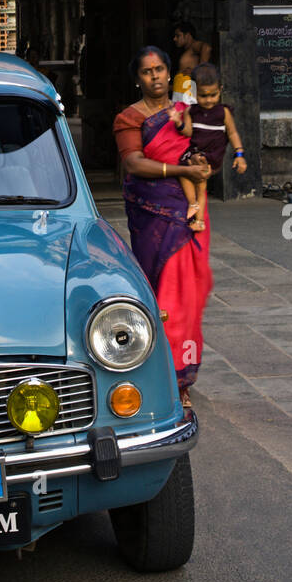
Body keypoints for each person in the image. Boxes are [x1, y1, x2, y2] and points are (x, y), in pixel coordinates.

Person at [113, 46, 213, 408]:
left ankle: (183, 377)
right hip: (153, 216)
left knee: (188, 298)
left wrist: (199, 164)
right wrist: (182, 171)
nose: (154, 77)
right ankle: (162, 374)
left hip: (188, 212)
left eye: (159, 70)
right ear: (137, 78)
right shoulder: (129, 118)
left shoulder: (185, 112)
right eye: (146, 71)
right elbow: (135, 164)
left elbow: (199, 149)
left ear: (170, 73)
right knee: (162, 295)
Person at [175, 64, 246, 232]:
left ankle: (198, 218)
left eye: (213, 95)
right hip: (194, 152)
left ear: (220, 90)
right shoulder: (191, 111)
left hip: (212, 156)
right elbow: (188, 132)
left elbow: (233, 133)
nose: (208, 100)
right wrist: (178, 123)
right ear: (193, 92)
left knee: (201, 183)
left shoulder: (223, 112)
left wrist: (239, 154)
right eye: (203, 96)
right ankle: (193, 206)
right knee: (182, 172)